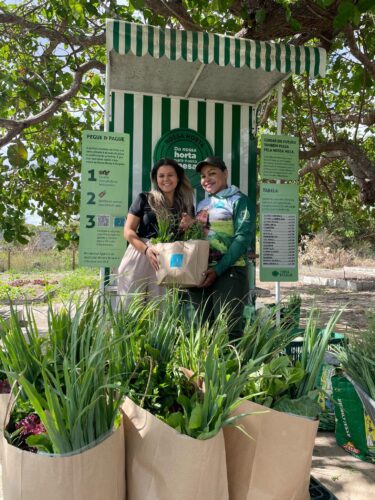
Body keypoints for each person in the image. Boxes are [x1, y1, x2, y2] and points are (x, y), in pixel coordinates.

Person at [188, 156, 253, 339]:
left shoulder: (240, 201)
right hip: (202, 273)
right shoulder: (203, 204)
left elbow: (242, 238)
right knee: (203, 330)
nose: (206, 179)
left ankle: (231, 368)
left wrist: (217, 270)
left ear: (225, 173)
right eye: (203, 176)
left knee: (228, 330)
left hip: (230, 272)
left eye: (212, 173)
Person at [118, 158, 194, 307]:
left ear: (178, 177)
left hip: (169, 259)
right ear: (155, 179)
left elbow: (188, 240)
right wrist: (146, 250)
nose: (166, 179)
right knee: (129, 307)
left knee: (161, 312)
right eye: (161, 176)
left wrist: (189, 226)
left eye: (170, 175)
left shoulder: (187, 205)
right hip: (140, 254)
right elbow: (128, 231)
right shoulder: (144, 199)